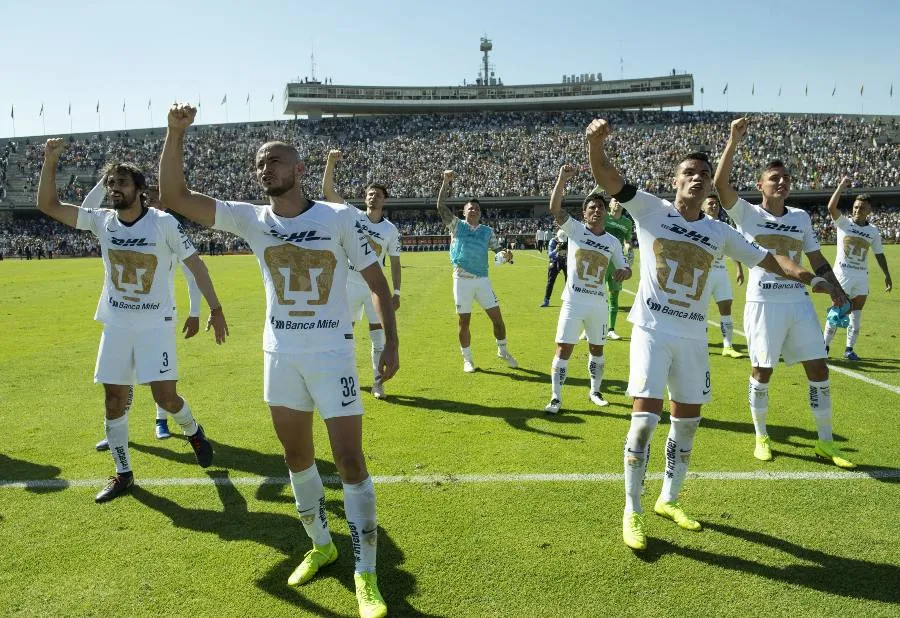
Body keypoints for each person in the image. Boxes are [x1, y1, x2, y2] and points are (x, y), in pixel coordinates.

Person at [160, 104, 397, 618]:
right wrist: (175, 133)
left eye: (274, 161)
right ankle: (321, 545)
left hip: (333, 355)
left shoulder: (339, 217)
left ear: (299, 169)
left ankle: (366, 571)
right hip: (280, 355)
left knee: (350, 462)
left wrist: (391, 344)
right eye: (259, 163)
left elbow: (378, 283)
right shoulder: (252, 218)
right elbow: (174, 197)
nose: (264, 169)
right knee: (297, 459)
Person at [586, 118, 842, 551]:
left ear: (709, 186)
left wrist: (814, 279)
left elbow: (773, 260)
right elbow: (609, 178)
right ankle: (632, 508)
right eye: (689, 173)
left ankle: (669, 499)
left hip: (691, 339)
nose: (698, 179)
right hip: (651, 330)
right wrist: (595, 145)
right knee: (644, 422)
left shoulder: (719, 231)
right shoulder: (650, 209)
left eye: (704, 175)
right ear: (675, 180)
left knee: (687, 424)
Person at [37, 138, 227, 504]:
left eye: (122, 182)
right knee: (113, 399)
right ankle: (123, 473)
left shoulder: (163, 223)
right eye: (111, 183)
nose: (114, 188)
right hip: (117, 324)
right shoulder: (102, 221)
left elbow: (196, 264)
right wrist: (50, 160)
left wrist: (214, 309)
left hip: (156, 324)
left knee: (165, 398)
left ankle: (193, 430)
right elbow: (48, 205)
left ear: (139, 189)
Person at [715, 117, 854, 469]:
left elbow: (817, 259)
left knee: (819, 369)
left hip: (799, 303)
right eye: (774, 178)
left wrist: (836, 289)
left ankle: (825, 442)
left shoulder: (801, 217)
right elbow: (720, 185)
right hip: (763, 304)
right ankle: (761, 435)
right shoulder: (746, 214)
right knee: (762, 371)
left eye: (786, 178)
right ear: (760, 185)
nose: (781, 182)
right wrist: (733, 141)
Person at [93, 184, 206, 450]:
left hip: (157, 317)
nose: (150, 203)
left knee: (160, 381)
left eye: (155, 199)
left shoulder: (167, 228)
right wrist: (104, 181)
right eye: (147, 198)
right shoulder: (120, 225)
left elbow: (193, 275)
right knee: (121, 382)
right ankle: (118, 432)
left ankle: (161, 420)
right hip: (123, 317)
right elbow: (86, 211)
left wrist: (195, 312)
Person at [544, 164, 630, 414]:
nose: (596, 210)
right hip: (573, 302)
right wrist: (561, 179)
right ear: (584, 213)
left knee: (597, 349)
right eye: (591, 208)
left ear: (605, 213)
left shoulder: (612, 242)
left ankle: (595, 391)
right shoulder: (576, 230)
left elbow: (624, 267)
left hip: (598, 304)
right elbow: (555, 208)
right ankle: (556, 397)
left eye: (600, 208)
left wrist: (624, 272)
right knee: (563, 349)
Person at [323, 149, 402, 399]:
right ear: (364, 198)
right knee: (344, 334)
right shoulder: (353, 216)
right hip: (349, 284)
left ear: (384, 200)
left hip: (373, 289)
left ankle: (378, 383)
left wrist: (397, 292)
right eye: (369, 194)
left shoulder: (390, 230)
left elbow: (395, 262)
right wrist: (330, 162)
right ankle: (342, 378)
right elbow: (328, 192)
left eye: (377, 194)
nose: (373, 197)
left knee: (378, 338)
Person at [436, 170, 517, 373]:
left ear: (480, 213)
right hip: (461, 280)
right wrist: (446, 182)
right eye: (470, 208)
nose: (474, 210)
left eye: (477, 209)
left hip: (482, 280)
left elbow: (498, 251)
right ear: (463, 212)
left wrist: (506, 255)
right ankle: (468, 359)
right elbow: (440, 207)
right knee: (464, 322)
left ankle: (502, 351)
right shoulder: (456, 225)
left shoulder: (487, 231)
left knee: (498, 320)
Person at [823, 178, 892, 360]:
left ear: (869, 210)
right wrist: (840, 186)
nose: (857, 210)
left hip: (861, 277)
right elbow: (831, 207)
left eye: (861, 208)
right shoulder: (844, 223)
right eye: (855, 207)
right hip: (842, 275)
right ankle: (824, 347)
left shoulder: (873, 231)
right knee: (837, 312)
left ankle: (849, 349)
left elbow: (879, 254)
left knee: (857, 315)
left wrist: (887, 274)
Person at [701, 195, 745, 358]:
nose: (714, 206)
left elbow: (732, 248)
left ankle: (728, 346)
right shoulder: (697, 224)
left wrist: (739, 269)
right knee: (700, 311)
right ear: (702, 207)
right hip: (703, 274)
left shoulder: (723, 227)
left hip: (721, 273)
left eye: (716, 203)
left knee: (726, 309)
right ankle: (700, 345)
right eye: (710, 203)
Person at [603, 197, 634, 340]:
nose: (618, 202)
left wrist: (629, 249)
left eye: (620, 200)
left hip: (616, 262)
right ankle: (589, 328)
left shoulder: (627, 222)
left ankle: (611, 329)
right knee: (594, 293)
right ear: (610, 204)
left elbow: (627, 241)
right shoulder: (603, 217)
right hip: (601, 259)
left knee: (613, 295)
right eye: (615, 200)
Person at [540, 229, 568, 307]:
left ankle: (568, 301)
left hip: (566, 261)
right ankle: (546, 300)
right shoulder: (553, 241)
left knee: (569, 282)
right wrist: (556, 249)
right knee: (550, 281)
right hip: (555, 261)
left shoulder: (569, 241)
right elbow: (550, 255)